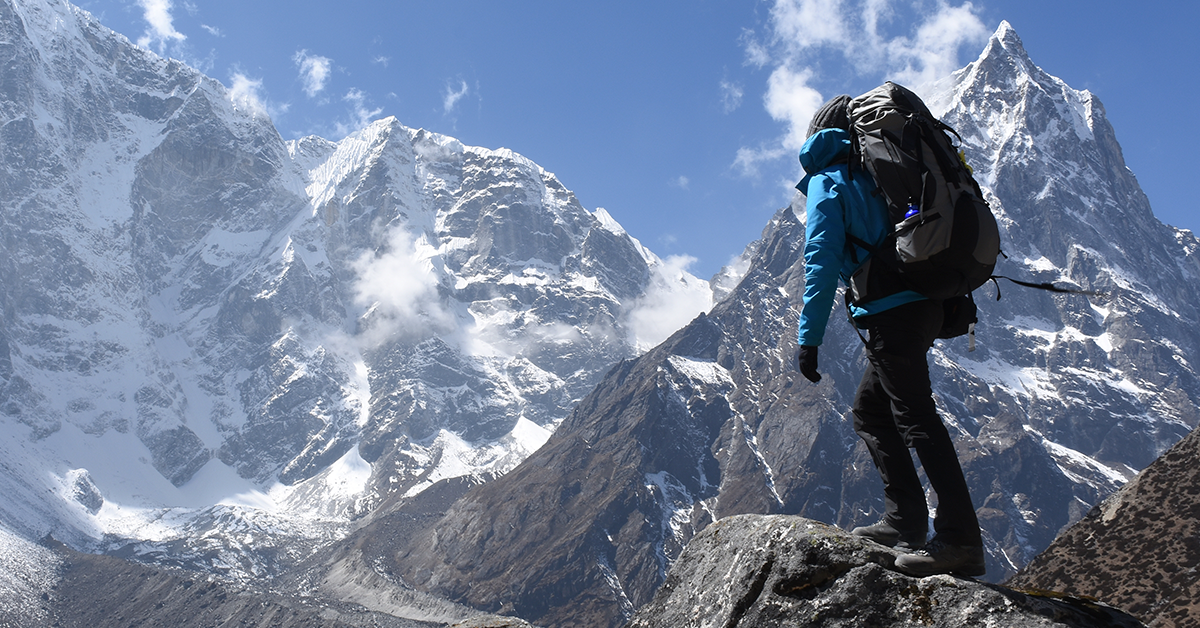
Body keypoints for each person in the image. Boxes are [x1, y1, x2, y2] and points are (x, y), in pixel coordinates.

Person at [794, 95, 985, 578]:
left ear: (818, 136)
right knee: (873, 410)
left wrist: (809, 338)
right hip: (926, 306)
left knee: (915, 418)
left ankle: (959, 540)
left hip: (890, 314)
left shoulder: (829, 182)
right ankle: (905, 520)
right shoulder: (883, 176)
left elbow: (819, 260)